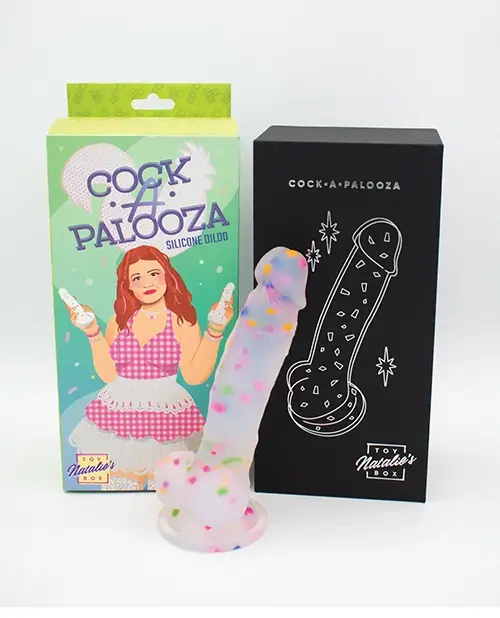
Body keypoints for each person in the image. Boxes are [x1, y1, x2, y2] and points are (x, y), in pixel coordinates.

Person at [67, 245, 233, 490]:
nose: (146, 283)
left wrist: (216, 330)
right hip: (118, 409)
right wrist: (91, 331)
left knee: (169, 487)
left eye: (154, 273)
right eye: (136, 278)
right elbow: (108, 374)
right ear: (128, 286)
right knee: (116, 483)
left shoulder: (182, 320)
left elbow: (194, 376)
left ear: (167, 275)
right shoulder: (119, 320)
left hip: (165, 410)